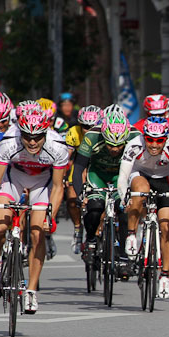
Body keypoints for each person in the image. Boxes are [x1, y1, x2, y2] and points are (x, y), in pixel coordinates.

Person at [0, 107, 68, 313]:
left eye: (37, 137)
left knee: (38, 233)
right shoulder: (8, 142)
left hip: (42, 182)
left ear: (45, 133)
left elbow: (58, 187)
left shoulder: (57, 146)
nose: (32, 142)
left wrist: (51, 215)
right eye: (27, 137)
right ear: (20, 132)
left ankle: (31, 291)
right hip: (14, 178)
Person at [118, 116, 169, 299]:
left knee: (167, 227)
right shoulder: (134, 145)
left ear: (166, 138)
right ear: (144, 137)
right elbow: (123, 175)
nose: (155, 144)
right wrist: (124, 194)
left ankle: (164, 275)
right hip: (140, 175)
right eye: (150, 139)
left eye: (159, 140)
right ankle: (132, 234)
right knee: (141, 191)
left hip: (163, 181)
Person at [72, 111, 138, 279]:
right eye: (110, 145)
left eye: (119, 145)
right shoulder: (93, 135)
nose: (115, 149)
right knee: (95, 207)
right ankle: (92, 240)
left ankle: (123, 257)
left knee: (124, 212)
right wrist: (81, 194)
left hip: (121, 177)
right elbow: (79, 167)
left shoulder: (136, 136)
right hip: (98, 175)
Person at [66, 105, 103, 254]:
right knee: (72, 197)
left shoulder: (103, 134)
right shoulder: (73, 132)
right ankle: (77, 228)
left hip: (98, 166)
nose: (89, 130)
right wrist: (62, 176)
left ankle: (100, 229)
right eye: (85, 126)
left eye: (94, 126)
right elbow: (65, 158)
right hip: (80, 165)